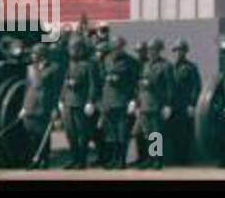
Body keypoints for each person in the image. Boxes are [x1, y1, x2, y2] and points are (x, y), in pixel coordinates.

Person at [59, 37, 100, 170]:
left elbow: (93, 85)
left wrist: (90, 101)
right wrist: (61, 98)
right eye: (71, 49)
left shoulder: (89, 64)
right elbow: (64, 83)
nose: (73, 51)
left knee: (82, 134)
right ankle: (74, 158)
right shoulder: (70, 64)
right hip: (68, 103)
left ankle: (81, 161)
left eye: (75, 48)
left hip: (81, 103)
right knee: (71, 133)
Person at [20, 44, 61, 169]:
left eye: (34, 54)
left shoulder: (54, 68)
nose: (32, 56)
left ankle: (44, 159)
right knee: (31, 135)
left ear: (41, 55)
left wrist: (55, 108)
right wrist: (23, 107)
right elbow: (27, 88)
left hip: (45, 105)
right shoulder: (30, 68)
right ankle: (34, 159)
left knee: (43, 134)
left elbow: (56, 90)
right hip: (30, 104)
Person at [100, 37, 139, 170]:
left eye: (120, 47)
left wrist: (134, 100)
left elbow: (135, 82)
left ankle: (124, 160)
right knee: (111, 134)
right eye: (115, 47)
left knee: (123, 133)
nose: (117, 49)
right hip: (109, 101)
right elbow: (102, 78)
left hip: (123, 101)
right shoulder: (106, 60)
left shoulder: (131, 62)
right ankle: (114, 159)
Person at [134, 38, 172, 170]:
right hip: (145, 103)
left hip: (157, 103)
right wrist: (138, 103)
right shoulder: (145, 65)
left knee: (156, 133)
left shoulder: (165, 66)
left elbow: (169, 87)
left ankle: (157, 160)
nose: (151, 52)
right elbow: (140, 86)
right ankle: (149, 159)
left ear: (159, 51)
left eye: (153, 50)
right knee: (146, 133)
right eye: (149, 50)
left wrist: (168, 105)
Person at [167, 39, 201, 165]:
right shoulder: (169, 67)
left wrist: (192, 104)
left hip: (184, 105)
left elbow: (196, 87)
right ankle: (155, 157)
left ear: (185, 52)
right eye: (175, 50)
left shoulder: (190, 68)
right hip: (169, 106)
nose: (177, 53)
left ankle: (183, 159)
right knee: (161, 133)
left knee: (184, 134)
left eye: (180, 50)